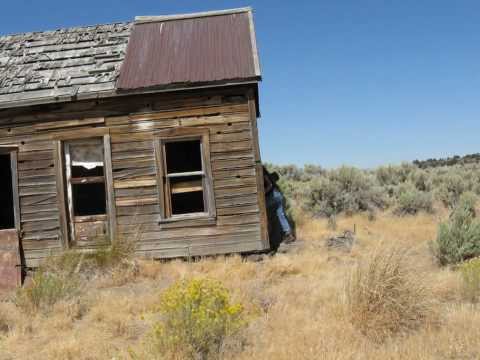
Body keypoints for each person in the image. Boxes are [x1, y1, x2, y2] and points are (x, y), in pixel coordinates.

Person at [263, 166, 295, 244]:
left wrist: (263, 193)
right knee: (281, 215)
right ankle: (288, 234)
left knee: (264, 214)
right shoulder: (269, 175)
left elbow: (269, 185)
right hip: (278, 195)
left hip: (272, 196)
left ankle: (268, 236)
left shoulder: (263, 174)